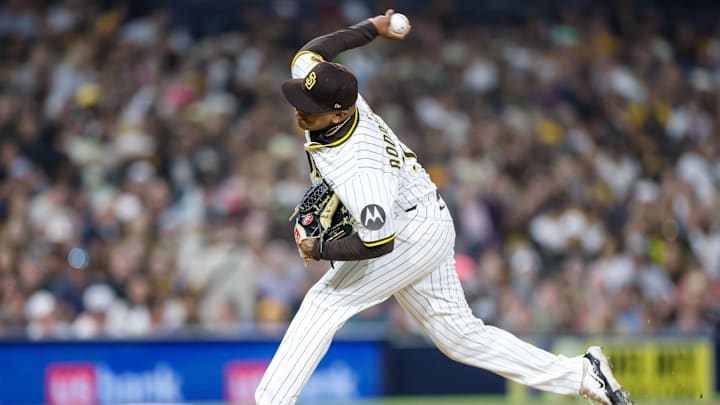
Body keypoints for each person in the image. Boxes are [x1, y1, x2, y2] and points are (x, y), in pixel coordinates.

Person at [255, 10, 632, 405]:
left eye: (309, 105)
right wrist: (372, 28)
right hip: (423, 214)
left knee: (324, 302)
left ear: (338, 113)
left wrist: (320, 250)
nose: (299, 108)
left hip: (406, 232)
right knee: (460, 338)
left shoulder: (362, 168)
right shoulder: (335, 99)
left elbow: (379, 243)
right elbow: (314, 51)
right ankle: (582, 373)